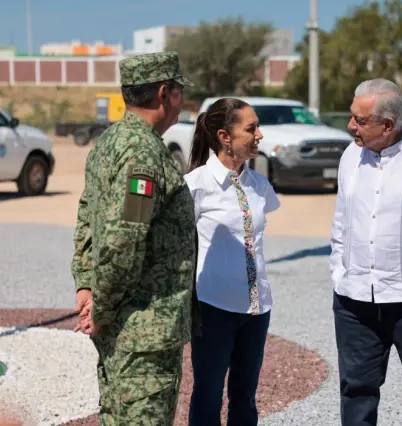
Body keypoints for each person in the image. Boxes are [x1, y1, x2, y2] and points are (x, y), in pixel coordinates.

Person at [70, 51, 197, 425]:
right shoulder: (144, 154)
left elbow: (86, 219)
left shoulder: (109, 142)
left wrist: (86, 286)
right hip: (143, 331)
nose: (180, 102)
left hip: (122, 325)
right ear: (163, 94)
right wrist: (102, 309)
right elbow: (124, 241)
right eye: (178, 93)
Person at [329, 78, 402, 426]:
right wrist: (339, 272)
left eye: (360, 121)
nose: (351, 126)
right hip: (354, 301)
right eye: (352, 117)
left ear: (388, 125)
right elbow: (341, 220)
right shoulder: (350, 156)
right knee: (356, 390)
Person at [184, 97, 281, 426]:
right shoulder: (195, 186)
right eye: (251, 128)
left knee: (245, 398)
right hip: (214, 308)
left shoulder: (260, 186)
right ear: (225, 137)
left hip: (257, 309)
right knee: (208, 396)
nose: (259, 135)